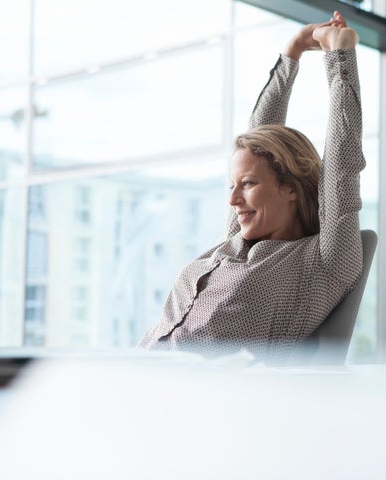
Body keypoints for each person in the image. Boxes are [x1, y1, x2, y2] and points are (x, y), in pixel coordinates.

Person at [138, 11, 366, 364]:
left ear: (290, 186)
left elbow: (342, 164)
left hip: (188, 405)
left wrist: (340, 57)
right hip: (131, 380)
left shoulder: (324, 261)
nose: (232, 199)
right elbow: (260, 134)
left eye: (247, 185)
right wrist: (291, 54)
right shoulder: (235, 242)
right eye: (232, 184)